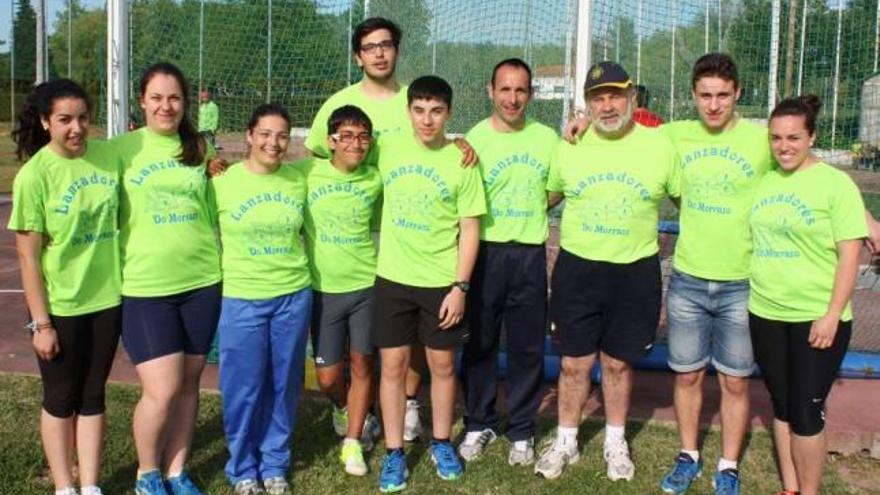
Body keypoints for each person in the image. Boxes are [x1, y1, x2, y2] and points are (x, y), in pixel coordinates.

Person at [305, 16, 476, 442]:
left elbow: (432, 142)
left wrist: (461, 142)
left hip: (409, 233)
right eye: (370, 46)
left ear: (396, 50)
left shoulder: (413, 99)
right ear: (358, 55)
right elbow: (315, 161)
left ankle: (411, 407)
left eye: (386, 44)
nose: (379, 52)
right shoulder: (338, 102)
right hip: (359, 233)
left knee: (417, 340)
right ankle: (354, 410)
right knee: (372, 346)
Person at [535, 61, 680, 482]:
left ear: (632, 97)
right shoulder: (571, 145)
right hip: (578, 269)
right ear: (587, 105)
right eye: (598, 98)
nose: (608, 105)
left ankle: (616, 440)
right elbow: (544, 198)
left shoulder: (660, 145)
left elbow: (689, 201)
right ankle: (566, 439)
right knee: (573, 365)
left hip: (635, 271)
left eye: (615, 95)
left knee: (617, 364)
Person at [656, 54, 771, 495]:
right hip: (687, 279)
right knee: (686, 375)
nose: (714, 105)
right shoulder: (674, 135)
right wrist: (582, 125)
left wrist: (868, 224)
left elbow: (809, 172)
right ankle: (688, 455)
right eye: (705, 95)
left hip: (741, 282)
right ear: (693, 96)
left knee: (735, 380)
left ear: (738, 93)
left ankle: (727, 465)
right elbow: (623, 133)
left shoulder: (760, 141)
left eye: (723, 95)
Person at [372, 75, 486, 492]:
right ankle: (394, 452)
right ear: (408, 112)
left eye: (436, 111)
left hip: (441, 282)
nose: (427, 119)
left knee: (441, 366)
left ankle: (440, 443)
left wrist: (460, 286)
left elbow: (470, 228)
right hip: (392, 279)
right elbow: (338, 158)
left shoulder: (463, 160)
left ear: (449, 114)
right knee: (394, 368)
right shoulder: (387, 149)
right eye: (419, 110)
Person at [113, 62, 222, 495]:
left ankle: (177, 470)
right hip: (145, 287)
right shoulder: (120, 149)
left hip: (202, 281)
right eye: (156, 97)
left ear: (185, 102)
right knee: (162, 388)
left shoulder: (199, 149)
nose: (166, 106)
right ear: (142, 100)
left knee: (190, 383)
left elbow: (225, 193)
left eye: (174, 97)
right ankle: (147, 473)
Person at [9, 79, 122, 495]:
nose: (76, 128)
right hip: (60, 306)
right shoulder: (34, 176)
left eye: (83, 118)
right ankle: (64, 486)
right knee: (61, 398)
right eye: (64, 120)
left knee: (93, 396)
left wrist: (206, 158)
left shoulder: (108, 157)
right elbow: (27, 257)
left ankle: (89, 485)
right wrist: (42, 324)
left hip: (107, 300)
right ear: (44, 122)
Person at [749, 95, 866, 495]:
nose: (784, 146)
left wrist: (832, 313)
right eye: (776, 138)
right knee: (781, 404)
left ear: (812, 136)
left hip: (816, 316)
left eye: (794, 138)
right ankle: (791, 487)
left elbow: (851, 256)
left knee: (806, 410)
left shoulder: (836, 184)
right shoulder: (765, 178)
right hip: (764, 311)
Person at [457, 58, 558, 466]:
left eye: (520, 90)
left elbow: (555, 190)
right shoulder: (473, 140)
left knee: (527, 346)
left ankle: (521, 429)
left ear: (530, 94)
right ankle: (478, 422)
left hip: (529, 254)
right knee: (480, 343)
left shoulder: (548, 138)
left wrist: (529, 212)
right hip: (486, 253)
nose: (512, 98)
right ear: (490, 91)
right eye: (505, 89)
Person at [210, 103, 311, 495]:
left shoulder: (298, 179)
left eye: (282, 135)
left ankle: (274, 464)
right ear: (249, 135)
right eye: (265, 134)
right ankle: (242, 468)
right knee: (243, 386)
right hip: (242, 298)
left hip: (292, 295)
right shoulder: (221, 182)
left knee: (284, 383)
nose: (274, 142)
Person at [298, 105, 383, 476]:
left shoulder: (375, 179)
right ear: (331, 140)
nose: (356, 143)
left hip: (366, 286)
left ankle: (352, 443)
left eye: (363, 136)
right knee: (329, 376)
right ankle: (344, 407)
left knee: (363, 362)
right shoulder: (306, 173)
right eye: (347, 136)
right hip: (323, 290)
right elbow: (263, 171)